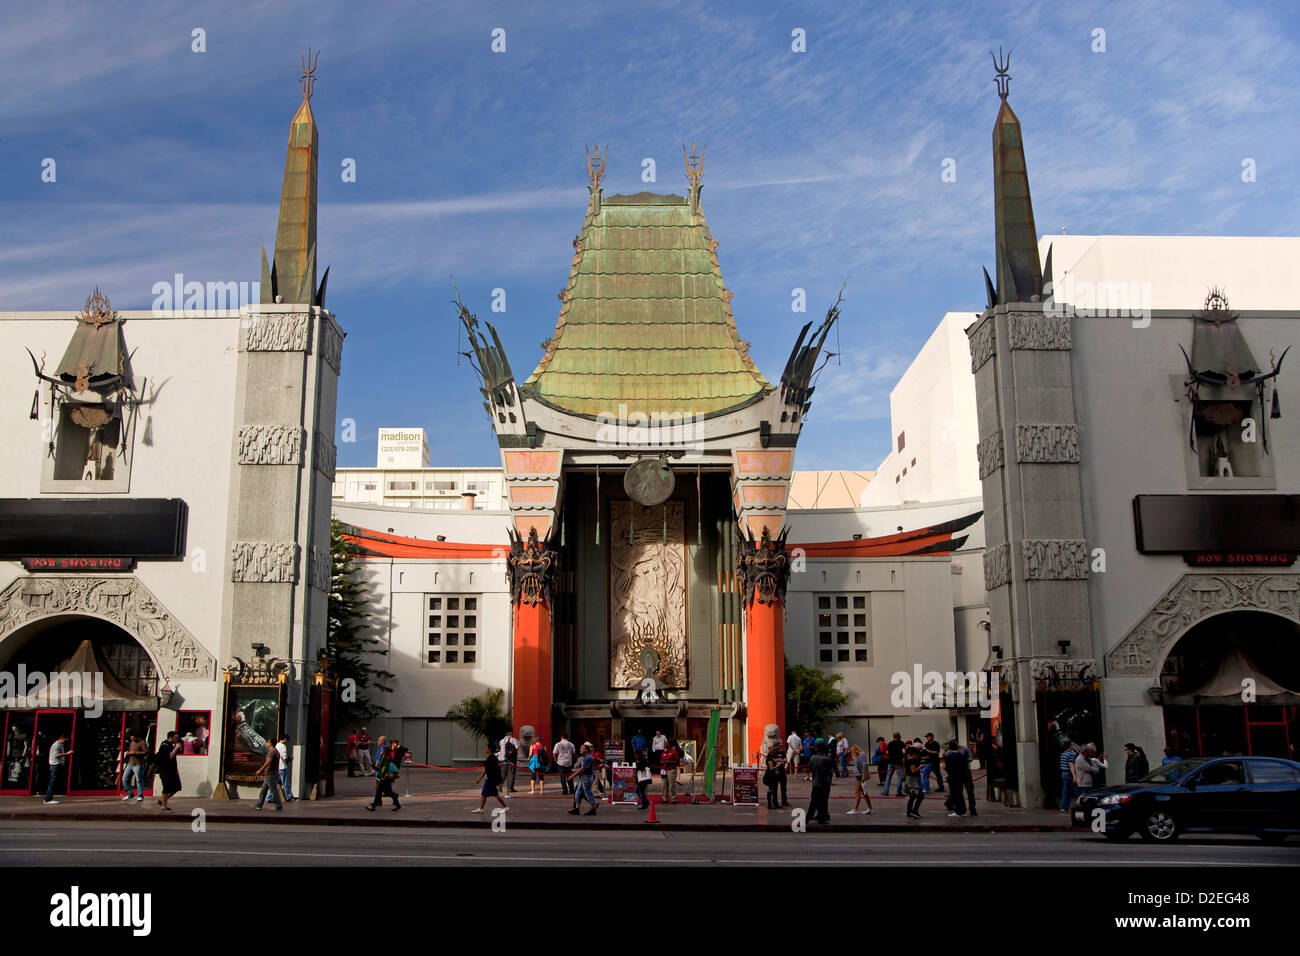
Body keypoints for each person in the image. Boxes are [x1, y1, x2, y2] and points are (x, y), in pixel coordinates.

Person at [473, 742, 509, 814]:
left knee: (486, 794)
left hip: (490, 779)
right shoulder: (493, 757)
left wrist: (479, 779)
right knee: (491, 794)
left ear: (489, 749)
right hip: (491, 779)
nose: (485, 749)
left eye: (486, 748)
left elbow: (487, 770)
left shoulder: (490, 758)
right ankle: (505, 807)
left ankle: (481, 809)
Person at [366, 739, 401, 811]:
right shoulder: (383, 760)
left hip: (385, 779)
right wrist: (373, 767)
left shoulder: (387, 761)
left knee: (378, 791)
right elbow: (380, 770)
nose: (380, 753)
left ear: (384, 753)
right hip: (383, 778)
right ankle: (397, 804)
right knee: (389, 793)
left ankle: (374, 806)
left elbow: (394, 771)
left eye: (381, 751)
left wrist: (388, 775)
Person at [152, 731, 182, 811]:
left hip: (172, 770)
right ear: (170, 737)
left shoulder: (171, 746)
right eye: (175, 737)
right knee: (166, 788)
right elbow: (169, 757)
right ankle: (163, 806)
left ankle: (162, 800)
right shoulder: (164, 745)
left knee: (176, 787)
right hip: (164, 770)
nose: (177, 739)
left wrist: (176, 770)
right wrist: (176, 748)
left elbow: (173, 760)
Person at [807, 742, 833, 825]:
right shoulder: (827, 759)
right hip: (825, 783)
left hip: (815, 782)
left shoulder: (812, 758)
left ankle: (808, 817)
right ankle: (822, 818)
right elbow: (830, 772)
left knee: (813, 801)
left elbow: (810, 768)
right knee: (824, 801)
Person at [568, 743, 598, 815]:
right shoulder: (585, 757)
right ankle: (577, 809)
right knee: (578, 792)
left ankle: (593, 809)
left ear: (586, 750)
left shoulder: (588, 758)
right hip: (583, 777)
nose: (580, 749)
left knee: (588, 793)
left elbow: (582, 768)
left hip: (587, 778)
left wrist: (572, 776)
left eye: (582, 748)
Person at [254, 738, 284, 811]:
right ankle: (259, 804)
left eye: (268, 742)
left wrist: (260, 770)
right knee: (264, 790)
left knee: (273, 790)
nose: (267, 743)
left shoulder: (272, 752)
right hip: (271, 774)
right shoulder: (275, 751)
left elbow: (267, 763)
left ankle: (279, 804)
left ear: (270, 743)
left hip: (271, 774)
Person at [43, 733, 73, 805]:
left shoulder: (58, 745)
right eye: (65, 740)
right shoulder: (57, 745)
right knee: (52, 782)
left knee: (53, 781)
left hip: (55, 765)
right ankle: (48, 799)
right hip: (55, 765)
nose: (65, 742)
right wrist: (67, 753)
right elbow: (55, 755)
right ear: (62, 738)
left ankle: (48, 798)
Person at [846, 745, 874, 815]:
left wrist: (863, 776)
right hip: (858, 775)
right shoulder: (857, 755)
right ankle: (870, 808)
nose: (850, 753)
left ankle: (855, 809)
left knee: (857, 792)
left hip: (860, 775)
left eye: (850, 751)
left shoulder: (861, 755)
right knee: (864, 793)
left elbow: (864, 766)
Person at [943, 740, 968, 816]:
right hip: (960, 776)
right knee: (960, 793)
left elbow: (947, 768)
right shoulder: (961, 755)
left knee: (955, 794)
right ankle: (963, 810)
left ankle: (958, 811)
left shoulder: (949, 756)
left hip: (953, 777)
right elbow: (965, 766)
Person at [903, 742, 926, 819]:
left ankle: (909, 812)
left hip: (909, 779)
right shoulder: (912, 761)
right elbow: (913, 771)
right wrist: (920, 767)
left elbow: (906, 770)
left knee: (912, 797)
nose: (918, 756)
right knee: (920, 796)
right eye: (917, 755)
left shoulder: (907, 760)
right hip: (913, 780)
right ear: (914, 754)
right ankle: (914, 811)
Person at [121, 734, 147, 803]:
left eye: (132, 737)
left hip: (138, 764)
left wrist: (135, 752)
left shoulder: (142, 743)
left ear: (136, 736)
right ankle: (129, 793)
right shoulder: (132, 742)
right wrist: (129, 752)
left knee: (139, 779)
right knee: (124, 778)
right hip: (130, 763)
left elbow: (145, 752)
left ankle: (140, 795)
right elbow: (130, 749)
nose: (131, 739)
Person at [1058, 739, 1079, 811]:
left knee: (1066, 791)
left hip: (1063, 773)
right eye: (1072, 745)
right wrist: (1074, 776)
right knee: (1077, 790)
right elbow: (1071, 765)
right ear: (1069, 746)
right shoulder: (1071, 754)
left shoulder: (1063, 754)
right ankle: (1080, 805)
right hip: (1069, 773)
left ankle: (1064, 807)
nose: (1073, 746)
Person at [763, 744, 786, 809]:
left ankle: (775, 803)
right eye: (776, 753)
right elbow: (771, 768)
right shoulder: (770, 759)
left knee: (774, 790)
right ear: (773, 753)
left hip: (773, 776)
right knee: (771, 790)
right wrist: (778, 765)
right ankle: (770, 804)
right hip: (770, 776)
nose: (777, 755)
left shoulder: (772, 758)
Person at [661, 738, 682, 804]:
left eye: (666, 743)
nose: (665, 745)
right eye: (665, 744)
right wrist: (663, 762)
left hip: (671, 770)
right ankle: (665, 798)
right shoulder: (664, 752)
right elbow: (661, 760)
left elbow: (677, 761)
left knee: (671, 785)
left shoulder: (674, 752)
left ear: (669, 745)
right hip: (664, 770)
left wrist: (669, 761)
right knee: (664, 785)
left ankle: (673, 798)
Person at [275, 734, 296, 802]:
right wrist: (290, 758)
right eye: (287, 740)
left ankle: (269, 797)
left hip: (277, 767)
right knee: (285, 783)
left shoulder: (276, 745)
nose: (287, 742)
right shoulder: (283, 746)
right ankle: (289, 797)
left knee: (275, 783)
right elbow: (284, 757)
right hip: (283, 767)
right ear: (285, 739)